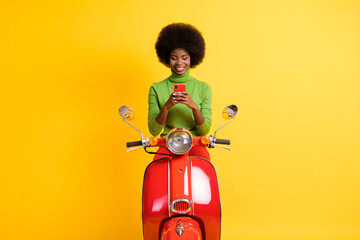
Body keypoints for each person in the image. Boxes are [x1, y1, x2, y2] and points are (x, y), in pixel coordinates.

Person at [148, 23, 212, 160]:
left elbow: (205, 130)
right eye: (174, 58)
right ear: (166, 58)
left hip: (195, 144)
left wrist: (194, 107)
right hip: (166, 144)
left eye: (184, 57)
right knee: (157, 169)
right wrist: (166, 107)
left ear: (192, 58)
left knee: (204, 166)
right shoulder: (156, 88)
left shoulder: (203, 88)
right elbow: (154, 131)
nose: (179, 63)